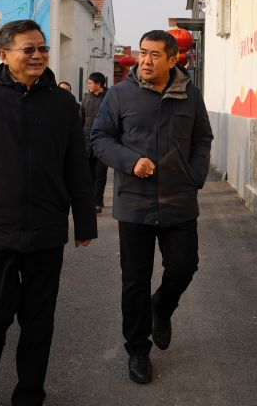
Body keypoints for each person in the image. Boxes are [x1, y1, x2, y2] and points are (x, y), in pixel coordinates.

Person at [0, 19, 97, 406]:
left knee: (38, 319)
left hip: (46, 230)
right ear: (4, 54)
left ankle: (30, 391)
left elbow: (76, 166)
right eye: (28, 49)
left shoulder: (63, 104)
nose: (38, 55)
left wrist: (84, 220)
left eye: (42, 48)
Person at [91, 30, 213, 385]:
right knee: (135, 280)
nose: (145, 60)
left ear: (173, 60)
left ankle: (162, 305)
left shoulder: (190, 95)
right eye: (143, 53)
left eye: (154, 55)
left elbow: (202, 138)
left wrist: (194, 176)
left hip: (179, 200)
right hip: (135, 203)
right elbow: (100, 138)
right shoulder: (119, 94)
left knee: (184, 266)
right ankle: (138, 350)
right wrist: (131, 162)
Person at [80, 72, 109, 213]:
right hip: (87, 143)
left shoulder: (109, 98)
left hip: (104, 142)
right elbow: (80, 119)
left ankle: (97, 201)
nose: (89, 85)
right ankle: (90, 200)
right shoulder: (87, 98)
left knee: (100, 174)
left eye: (90, 83)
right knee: (88, 174)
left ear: (99, 84)